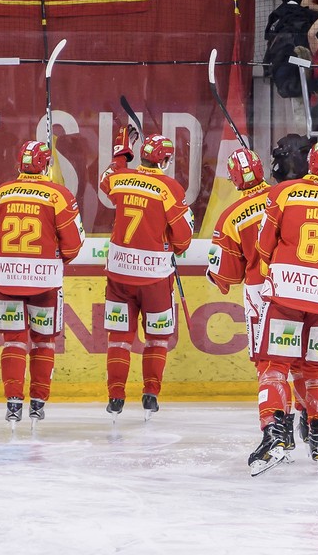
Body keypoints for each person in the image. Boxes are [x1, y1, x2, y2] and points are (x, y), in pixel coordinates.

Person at [249, 139, 318, 472]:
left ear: (309, 162)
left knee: (275, 366)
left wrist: (281, 267)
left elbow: (264, 244)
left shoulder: (283, 192)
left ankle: (272, 432)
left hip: (286, 293)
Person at [98, 126, 195, 418]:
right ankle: (150, 394)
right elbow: (183, 239)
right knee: (156, 338)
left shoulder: (121, 178)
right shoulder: (170, 188)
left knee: (119, 337)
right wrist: (171, 243)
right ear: (164, 161)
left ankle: (115, 396)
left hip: (118, 273)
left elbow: (107, 179)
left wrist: (121, 153)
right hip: (154, 277)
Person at [0, 141, 83, 425]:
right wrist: (53, 260)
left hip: (7, 276)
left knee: (13, 342)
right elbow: (74, 244)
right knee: (43, 342)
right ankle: (38, 402)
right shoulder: (59, 195)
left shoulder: (2, 193)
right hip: (44, 280)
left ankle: (13, 402)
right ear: (46, 165)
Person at [205, 148, 276, 449]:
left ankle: (273, 427)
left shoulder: (230, 216)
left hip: (259, 293)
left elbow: (228, 275)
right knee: (300, 361)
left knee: (267, 364)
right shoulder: (284, 196)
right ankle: (312, 427)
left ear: (233, 180)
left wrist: (215, 276)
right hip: (294, 287)